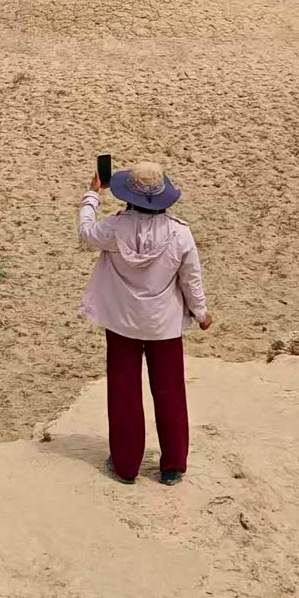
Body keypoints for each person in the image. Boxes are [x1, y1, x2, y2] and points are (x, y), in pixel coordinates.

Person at [78, 160, 212, 486]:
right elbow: (191, 280)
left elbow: (85, 231)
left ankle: (126, 465)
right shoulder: (180, 233)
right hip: (163, 325)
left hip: (122, 322)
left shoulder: (114, 228)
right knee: (170, 392)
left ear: (129, 195)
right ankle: (173, 465)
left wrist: (93, 194)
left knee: (123, 390)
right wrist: (201, 313)